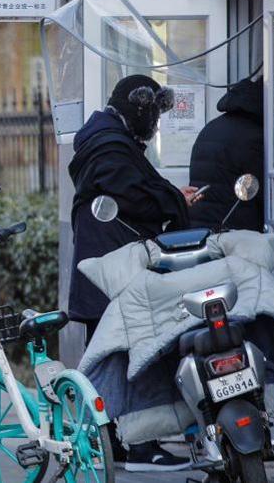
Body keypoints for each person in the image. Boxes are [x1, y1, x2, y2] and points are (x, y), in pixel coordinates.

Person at [69, 74, 195, 472]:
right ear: (137, 109)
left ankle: (115, 445)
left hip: (105, 272)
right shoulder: (110, 148)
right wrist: (175, 200)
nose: (156, 124)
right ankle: (141, 447)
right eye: (153, 114)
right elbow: (134, 195)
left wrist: (171, 196)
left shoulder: (106, 142)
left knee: (111, 358)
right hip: (116, 274)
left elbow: (133, 189)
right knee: (137, 354)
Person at [189, 77, 265, 231]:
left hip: (201, 224)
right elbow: (262, 188)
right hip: (233, 226)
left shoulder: (211, 127)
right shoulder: (254, 135)